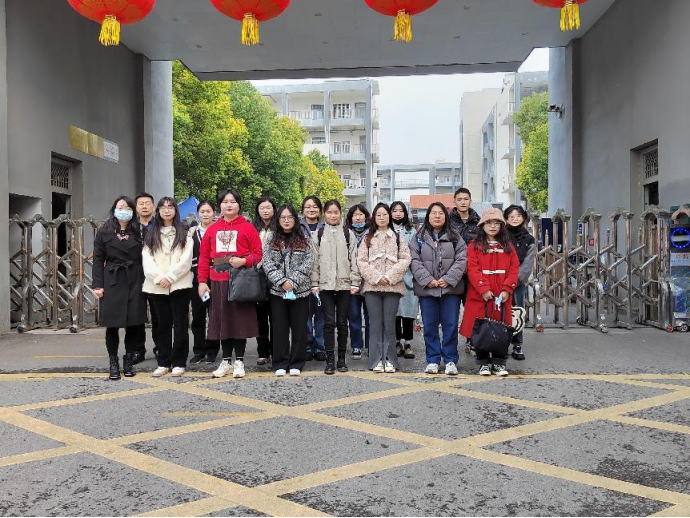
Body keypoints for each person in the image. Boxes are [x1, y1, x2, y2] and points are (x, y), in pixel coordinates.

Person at [197, 188, 263, 379]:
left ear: (239, 205)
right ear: (220, 206)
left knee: (239, 321)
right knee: (222, 322)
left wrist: (244, 261)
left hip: (240, 282)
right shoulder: (212, 229)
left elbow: (258, 254)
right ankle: (226, 360)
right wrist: (202, 282)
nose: (229, 205)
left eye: (233, 201)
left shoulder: (248, 228)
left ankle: (239, 361)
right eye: (225, 202)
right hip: (218, 282)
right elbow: (204, 258)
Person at [92, 196, 147, 380]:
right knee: (112, 325)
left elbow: (148, 257)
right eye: (120, 207)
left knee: (133, 324)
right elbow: (98, 259)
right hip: (112, 280)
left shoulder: (140, 231)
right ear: (114, 210)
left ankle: (128, 361)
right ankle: (113, 362)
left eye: (127, 208)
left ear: (133, 211)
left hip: (135, 279)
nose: (123, 210)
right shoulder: (104, 231)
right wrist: (97, 284)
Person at [460, 208, 520, 377]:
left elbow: (514, 268)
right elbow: (472, 269)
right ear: (482, 225)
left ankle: (499, 363)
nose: (493, 226)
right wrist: (483, 289)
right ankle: (483, 363)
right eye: (489, 223)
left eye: (496, 223)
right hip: (480, 296)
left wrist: (507, 289)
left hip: (502, 296)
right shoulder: (474, 246)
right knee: (481, 330)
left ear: (501, 226)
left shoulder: (508, 246)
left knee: (501, 330)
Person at [410, 202, 468, 376]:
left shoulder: (456, 237)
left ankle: (450, 360)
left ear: (446, 216)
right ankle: (433, 360)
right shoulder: (419, 237)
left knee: (451, 326)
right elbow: (413, 260)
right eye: (433, 213)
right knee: (429, 327)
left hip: (450, 290)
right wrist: (428, 280)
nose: (437, 216)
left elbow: (462, 259)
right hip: (427, 290)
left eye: (440, 213)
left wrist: (448, 279)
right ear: (428, 216)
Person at [142, 198, 194, 378]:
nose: (166, 210)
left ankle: (179, 361)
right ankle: (163, 361)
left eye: (170, 207)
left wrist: (171, 277)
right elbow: (147, 260)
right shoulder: (151, 234)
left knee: (180, 324)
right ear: (158, 211)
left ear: (175, 210)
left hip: (180, 284)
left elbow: (186, 260)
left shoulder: (184, 233)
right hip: (157, 286)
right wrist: (159, 278)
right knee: (162, 325)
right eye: (163, 207)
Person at [357, 203, 411, 373]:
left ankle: (390, 360)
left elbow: (405, 259)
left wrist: (389, 277)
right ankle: (375, 360)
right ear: (374, 217)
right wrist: (376, 277)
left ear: (389, 216)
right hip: (372, 287)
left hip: (392, 287)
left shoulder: (398, 237)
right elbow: (361, 261)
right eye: (378, 215)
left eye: (385, 214)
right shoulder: (367, 238)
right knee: (374, 324)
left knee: (389, 323)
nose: (382, 218)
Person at [262, 204, 315, 377]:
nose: (286, 220)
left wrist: (292, 282)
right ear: (278, 220)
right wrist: (282, 282)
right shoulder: (271, 238)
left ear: (295, 219)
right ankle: (280, 362)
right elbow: (267, 263)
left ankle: (297, 362)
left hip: (300, 291)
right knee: (279, 328)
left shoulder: (304, 238)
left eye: (290, 217)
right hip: (278, 292)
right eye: (283, 217)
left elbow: (308, 262)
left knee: (299, 328)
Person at [311, 199, 361, 375]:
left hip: (344, 284)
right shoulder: (318, 234)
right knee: (328, 323)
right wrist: (314, 283)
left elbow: (354, 259)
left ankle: (341, 359)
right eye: (329, 212)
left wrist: (355, 281)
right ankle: (329, 360)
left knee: (342, 323)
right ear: (324, 214)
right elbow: (314, 261)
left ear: (340, 213)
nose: (333, 215)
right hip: (325, 285)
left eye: (336, 212)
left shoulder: (348, 234)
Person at [448, 188, 481, 356]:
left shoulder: (478, 222)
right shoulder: (447, 221)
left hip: (472, 273)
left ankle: (472, 340)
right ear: (454, 201)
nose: (463, 202)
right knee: (451, 311)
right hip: (452, 273)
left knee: (472, 309)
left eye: (466, 199)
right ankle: (450, 345)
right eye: (459, 199)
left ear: (470, 201)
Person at [189, 200, 220, 365]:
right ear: (198, 214)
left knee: (214, 315)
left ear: (214, 213)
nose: (205, 214)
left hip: (216, 276)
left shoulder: (219, 230)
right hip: (197, 277)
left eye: (208, 211)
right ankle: (199, 350)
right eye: (202, 211)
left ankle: (212, 350)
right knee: (198, 315)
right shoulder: (192, 232)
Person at [504, 204, 536, 361]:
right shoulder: (500, 236)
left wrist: (513, 281)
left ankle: (517, 344)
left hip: (517, 283)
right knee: (500, 312)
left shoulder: (529, 239)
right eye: (511, 216)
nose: (515, 218)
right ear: (506, 219)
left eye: (518, 216)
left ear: (523, 218)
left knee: (517, 312)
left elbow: (527, 265)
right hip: (500, 281)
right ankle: (501, 342)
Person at [132, 192, 158, 364]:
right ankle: (137, 349)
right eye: (141, 203)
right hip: (136, 275)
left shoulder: (160, 225)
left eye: (147, 203)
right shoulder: (130, 227)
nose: (144, 206)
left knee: (158, 314)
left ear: (153, 206)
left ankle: (160, 348)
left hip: (156, 275)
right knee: (136, 313)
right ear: (136, 207)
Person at [390, 201, 418, 360]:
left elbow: (414, 253)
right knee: (394, 312)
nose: (398, 213)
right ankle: (396, 342)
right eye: (395, 211)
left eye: (401, 211)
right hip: (391, 278)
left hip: (408, 276)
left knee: (408, 312)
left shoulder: (411, 231)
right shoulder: (386, 229)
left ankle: (407, 343)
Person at [300, 196, 326, 362]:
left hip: (323, 277)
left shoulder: (326, 226)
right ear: (303, 209)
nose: (311, 209)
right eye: (308, 207)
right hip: (302, 278)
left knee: (321, 315)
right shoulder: (297, 227)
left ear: (320, 210)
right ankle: (307, 346)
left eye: (315, 206)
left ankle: (320, 346)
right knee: (305, 315)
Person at [253, 196, 277, 366]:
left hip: (275, 276)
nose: (265, 211)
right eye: (262, 208)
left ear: (274, 209)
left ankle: (276, 351)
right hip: (257, 275)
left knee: (276, 317)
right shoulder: (253, 228)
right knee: (259, 317)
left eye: (268, 207)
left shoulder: (279, 228)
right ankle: (263, 352)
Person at [345, 203, 371, 360]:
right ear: (350, 218)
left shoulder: (373, 233)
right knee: (354, 315)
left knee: (370, 316)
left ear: (366, 217)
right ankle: (356, 345)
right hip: (351, 281)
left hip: (369, 281)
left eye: (361, 214)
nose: (358, 217)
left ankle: (370, 345)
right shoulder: (345, 233)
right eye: (355, 215)